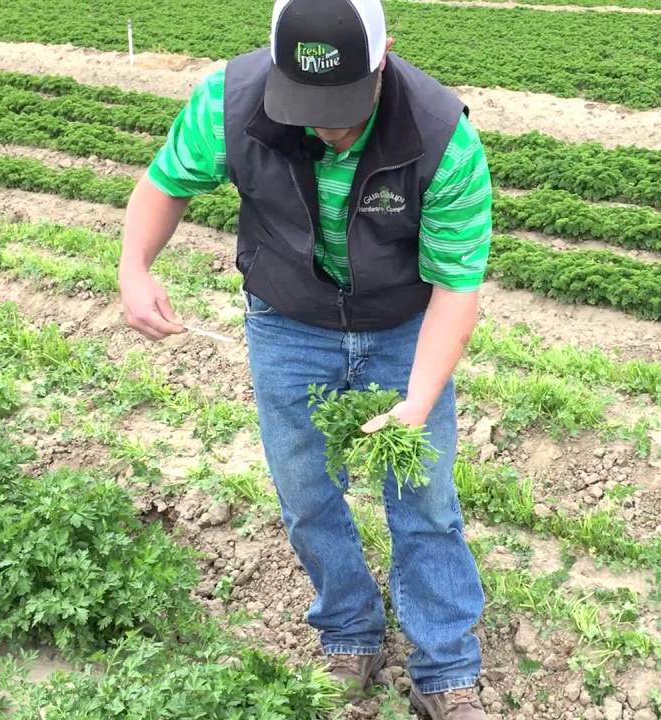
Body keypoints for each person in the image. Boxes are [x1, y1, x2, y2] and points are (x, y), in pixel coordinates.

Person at [117, 0, 493, 716]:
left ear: (380, 63)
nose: (326, 124)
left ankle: (445, 670)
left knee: (425, 498)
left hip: (401, 325)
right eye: (308, 103)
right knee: (306, 491)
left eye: (342, 103)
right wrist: (134, 267)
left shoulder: (442, 137)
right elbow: (165, 183)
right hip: (286, 323)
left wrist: (415, 403)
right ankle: (349, 632)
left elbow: (456, 286)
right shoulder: (229, 102)